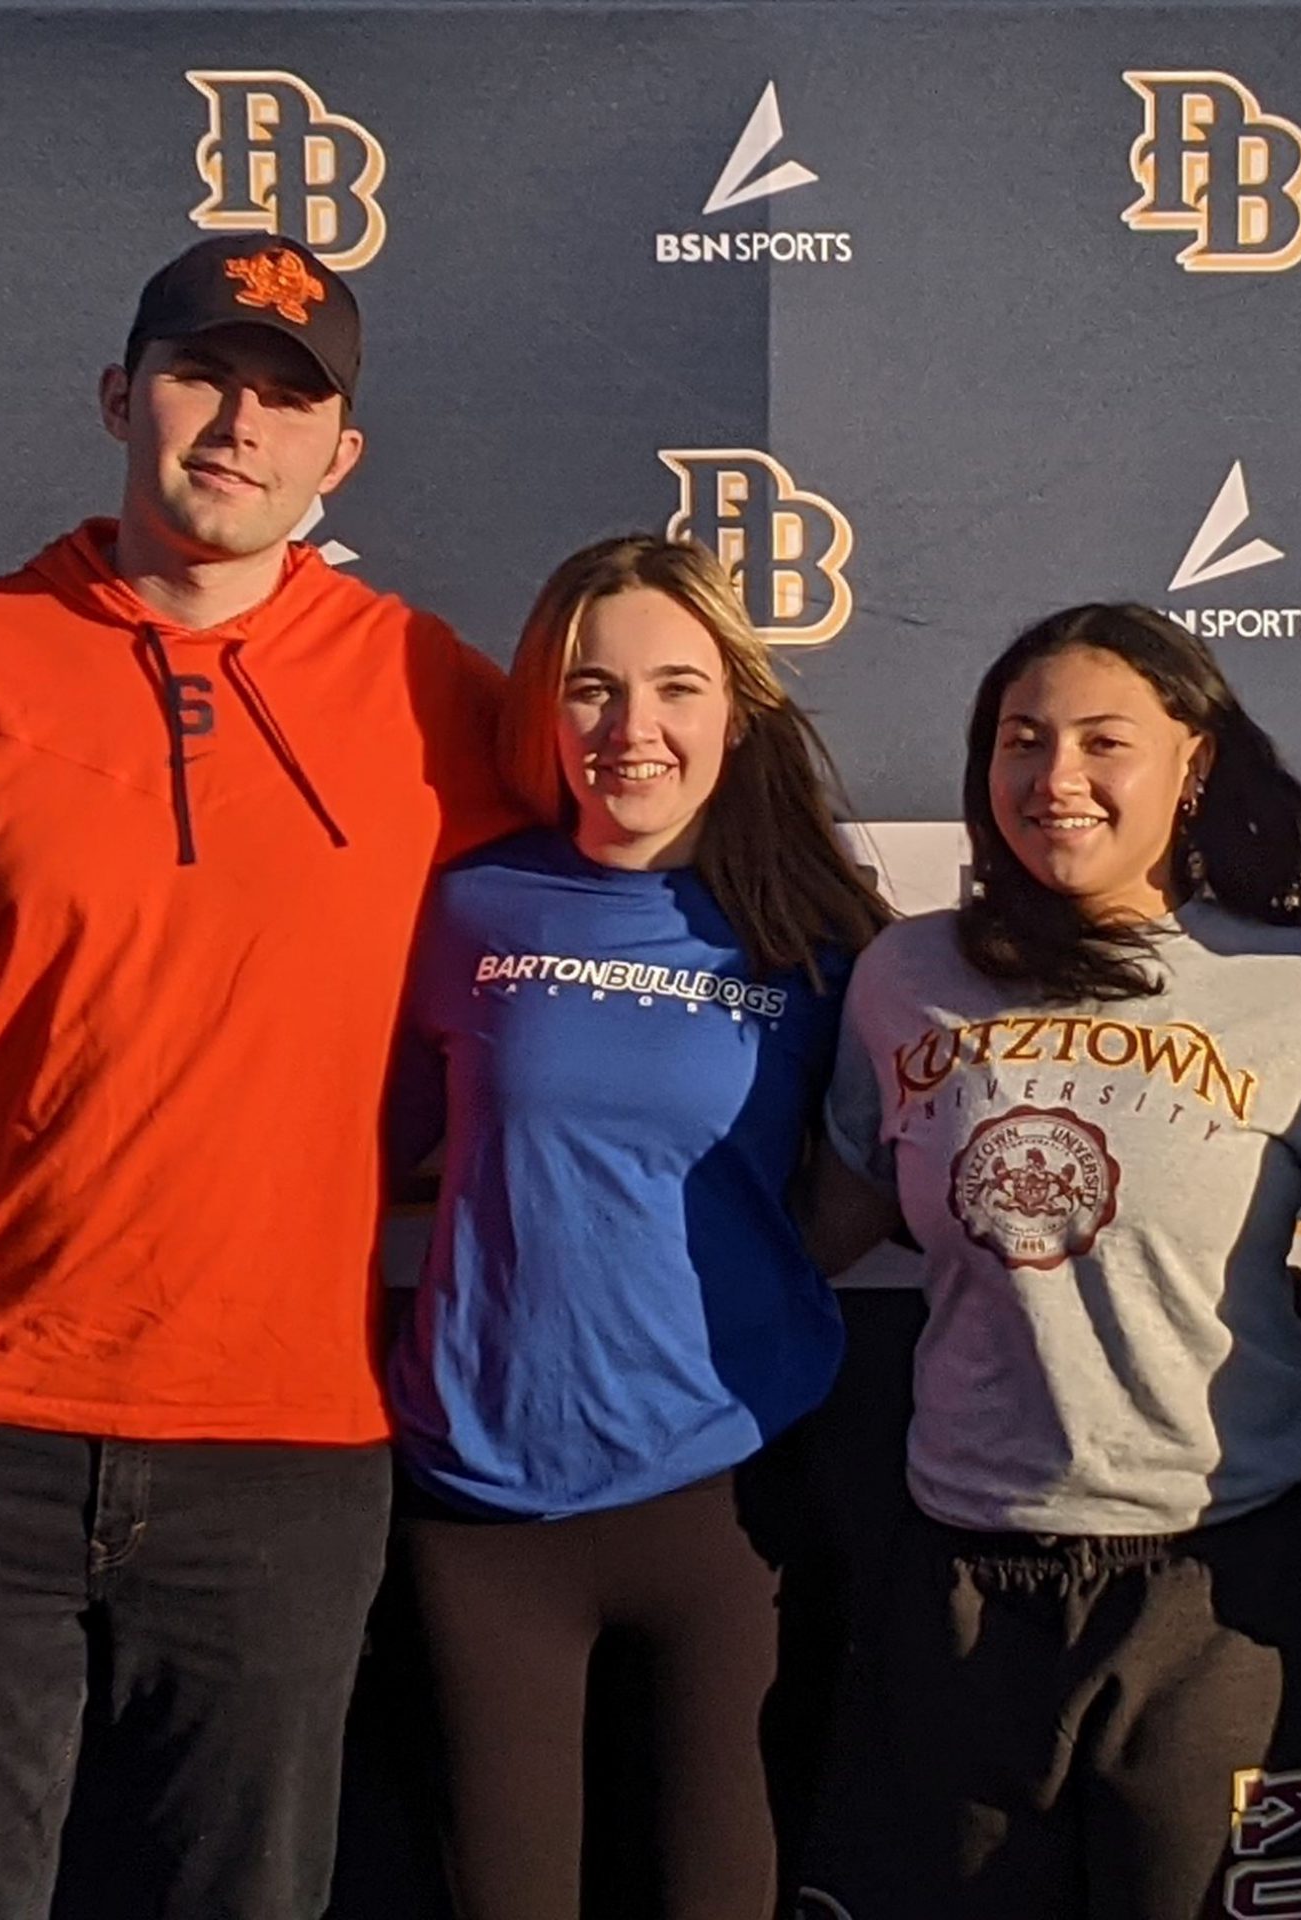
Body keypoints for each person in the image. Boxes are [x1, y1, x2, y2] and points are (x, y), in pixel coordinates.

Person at [0, 234, 521, 1918]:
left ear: (340, 457)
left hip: (288, 1451)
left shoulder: (428, 687)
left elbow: (630, 885)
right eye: (200, 375)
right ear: (120, 396)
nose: (239, 425)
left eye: (289, 399)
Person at [796, 603, 1301, 1920]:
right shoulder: (908, 978)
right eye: (1022, 740)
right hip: (959, 1590)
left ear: (1193, 764)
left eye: (1102, 741)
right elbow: (812, 1234)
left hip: (1224, 1591)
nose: (1054, 778)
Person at [387, 534, 892, 1920]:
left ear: (738, 709)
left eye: (676, 687)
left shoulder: (821, 939)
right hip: (482, 1505)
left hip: (724, 1502)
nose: (633, 729)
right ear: (543, 709)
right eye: (592, 688)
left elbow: (876, 1176)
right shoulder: (461, 908)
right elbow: (369, 1156)